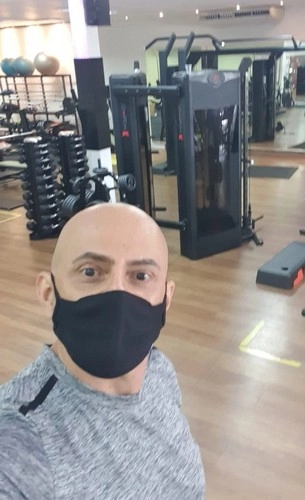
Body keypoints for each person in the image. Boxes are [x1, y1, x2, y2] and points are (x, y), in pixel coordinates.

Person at [0, 203, 205, 499]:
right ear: (48, 294)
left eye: (141, 276)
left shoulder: (158, 368)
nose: (117, 294)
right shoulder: (18, 441)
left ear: (166, 298)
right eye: (90, 271)